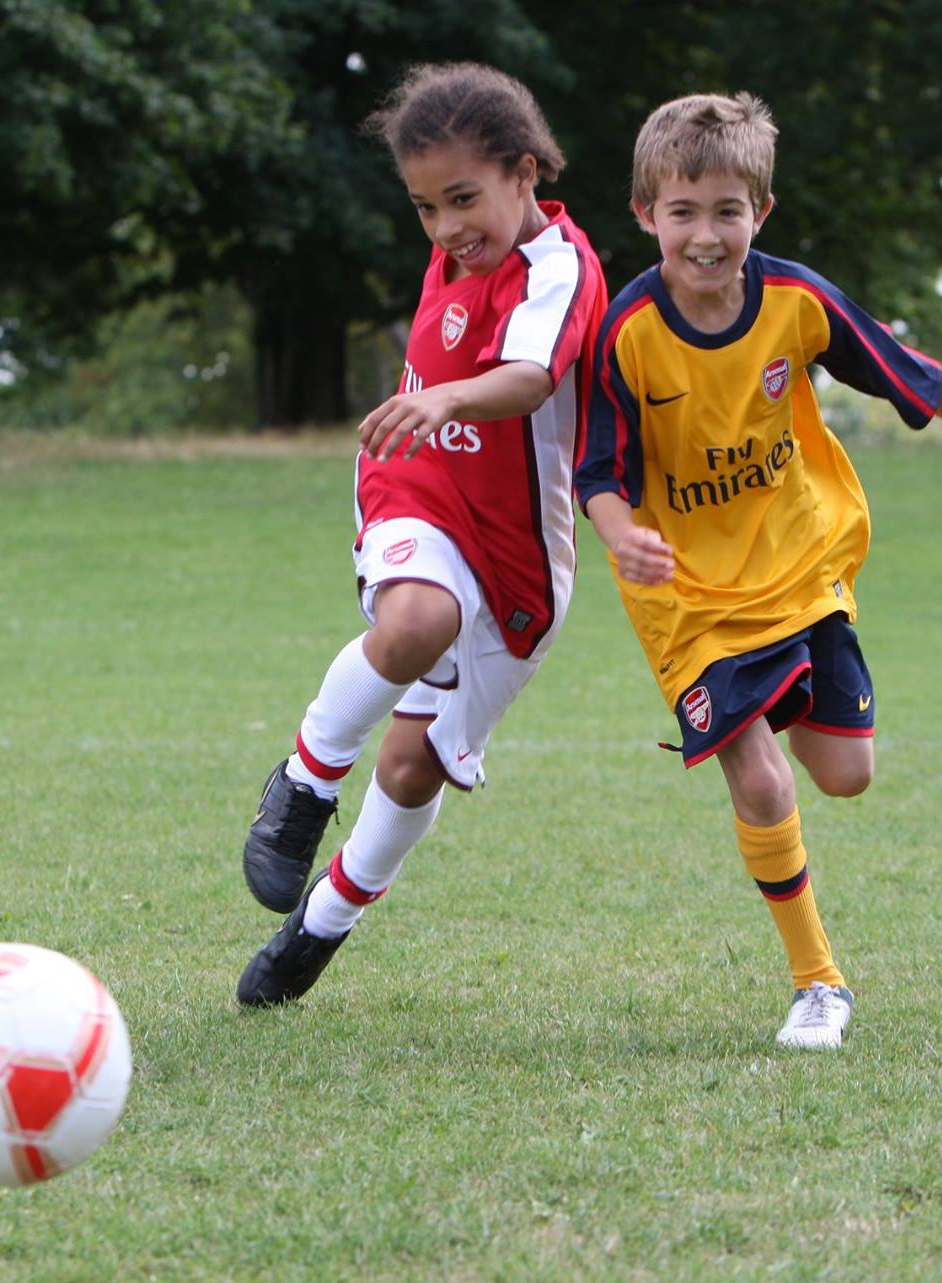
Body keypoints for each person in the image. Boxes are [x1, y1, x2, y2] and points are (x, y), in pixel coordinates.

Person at [577, 92, 942, 1050]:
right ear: (645, 214)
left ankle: (760, 702)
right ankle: (819, 983)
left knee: (846, 775)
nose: (706, 234)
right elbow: (596, 468)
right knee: (763, 784)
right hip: (685, 596)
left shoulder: (798, 302)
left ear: (759, 213)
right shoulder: (626, 332)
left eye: (728, 210)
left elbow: (910, 373)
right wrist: (615, 531)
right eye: (682, 211)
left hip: (801, 565)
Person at [236, 63, 607, 1006]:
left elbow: (527, 379)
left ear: (527, 173)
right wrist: (432, 406)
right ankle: (304, 782)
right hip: (418, 487)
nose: (444, 230)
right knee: (415, 621)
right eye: (424, 209)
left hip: (522, 557)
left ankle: (324, 923)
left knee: (412, 765)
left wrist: (445, 392)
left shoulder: (560, 267)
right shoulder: (465, 247)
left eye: (462, 200)